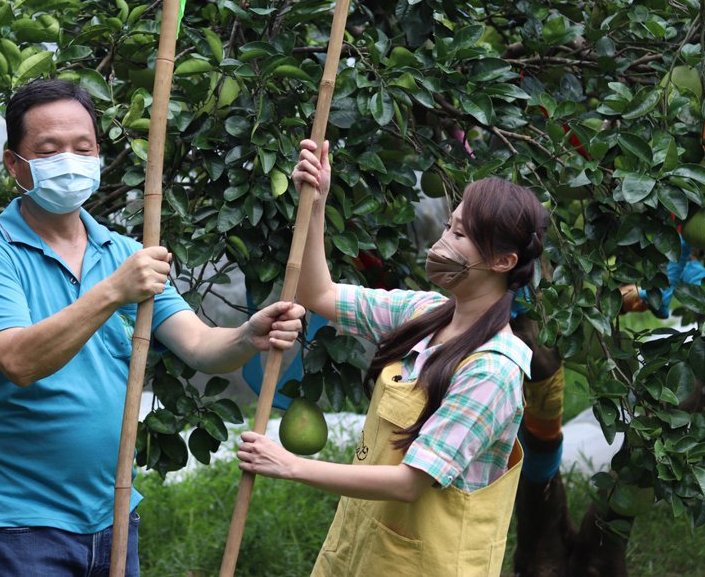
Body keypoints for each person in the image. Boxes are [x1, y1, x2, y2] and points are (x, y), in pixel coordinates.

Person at [0, 79, 305, 577]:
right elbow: (18, 361)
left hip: (114, 511)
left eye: (83, 147)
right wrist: (113, 292)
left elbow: (201, 346)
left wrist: (248, 334)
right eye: (49, 149)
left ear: (99, 156)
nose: (70, 160)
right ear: (16, 165)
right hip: (24, 523)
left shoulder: (123, 255)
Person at [236, 139, 550, 576]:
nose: (443, 242)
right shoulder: (422, 314)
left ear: (503, 261)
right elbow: (319, 294)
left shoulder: (492, 370)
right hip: (363, 548)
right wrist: (317, 203)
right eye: (448, 226)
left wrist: (290, 466)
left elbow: (408, 483)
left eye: (459, 235)